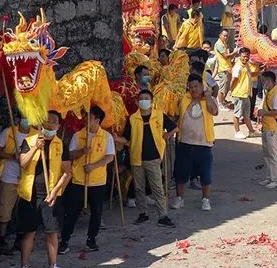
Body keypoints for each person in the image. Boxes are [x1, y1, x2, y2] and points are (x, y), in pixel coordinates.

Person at [18, 111, 72, 268]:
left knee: (52, 232)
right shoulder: (29, 141)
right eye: (47, 121)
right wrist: (35, 148)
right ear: (41, 122)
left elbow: (67, 172)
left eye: (54, 121)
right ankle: (25, 265)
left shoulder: (61, 144)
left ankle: (52, 264)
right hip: (31, 193)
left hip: (51, 195)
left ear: (58, 126)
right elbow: (22, 163)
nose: (50, 123)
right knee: (29, 232)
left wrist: (55, 191)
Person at [60, 106, 115, 253]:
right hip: (78, 180)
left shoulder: (106, 137)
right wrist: (81, 152)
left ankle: (91, 239)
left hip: (98, 181)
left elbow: (110, 156)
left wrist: (93, 166)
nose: (85, 119)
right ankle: (64, 240)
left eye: (89, 117)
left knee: (96, 213)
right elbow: (69, 155)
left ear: (97, 120)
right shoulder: (78, 136)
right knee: (72, 212)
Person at [118, 90, 176, 227]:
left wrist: (167, 136)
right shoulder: (132, 118)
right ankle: (142, 214)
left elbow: (174, 127)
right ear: (137, 102)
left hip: (154, 156)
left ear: (151, 101)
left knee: (157, 187)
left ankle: (163, 215)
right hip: (136, 158)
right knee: (139, 188)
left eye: (146, 98)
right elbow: (127, 138)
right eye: (141, 99)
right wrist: (116, 138)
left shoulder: (159, 115)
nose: (144, 101)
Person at [171, 74, 218, 211]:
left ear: (202, 86)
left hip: (204, 143)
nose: (193, 89)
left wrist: (208, 95)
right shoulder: (184, 99)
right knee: (180, 172)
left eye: (196, 86)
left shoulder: (209, 99)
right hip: (184, 142)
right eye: (190, 87)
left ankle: (206, 200)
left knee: (205, 174)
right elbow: (176, 116)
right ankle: (179, 198)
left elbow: (214, 111)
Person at [0, 116, 34, 254]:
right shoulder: (8, 132)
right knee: (4, 211)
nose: (26, 120)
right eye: (24, 117)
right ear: (18, 119)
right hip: (9, 177)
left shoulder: (36, 134)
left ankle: (19, 240)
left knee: (22, 212)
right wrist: (11, 156)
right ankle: (2, 241)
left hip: (27, 179)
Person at [257, 71, 277, 189]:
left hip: (272, 128)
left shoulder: (276, 94)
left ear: (269, 81)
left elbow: (276, 111)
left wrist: (264, 113)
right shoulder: (268, 92)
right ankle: (270, 176)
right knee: (267, 154)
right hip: (266, 126)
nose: (263, 83)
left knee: (273, 155)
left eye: (264, 81)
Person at [227, 47, 259, 139]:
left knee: (246, 114)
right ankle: (237, 132)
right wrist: (231, 89)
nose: (245, 58)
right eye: (244, 56)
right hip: (239, 94)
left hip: (246, 94)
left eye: (247, 57)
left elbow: (250, 75)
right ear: (240, 56)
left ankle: (251, 131)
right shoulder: (238, 66)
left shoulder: (246, 65)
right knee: (237, 114)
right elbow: (234, 79)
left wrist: (259, 72)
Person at [213, 29, 235, 107]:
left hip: (227, 67)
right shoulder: (219, 44)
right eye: (224, 35)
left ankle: (223, 100)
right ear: (220, 35)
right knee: (222, 88)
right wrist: (234, 52)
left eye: (226, 36)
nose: (225, 37)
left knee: (227, 87)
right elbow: (225, 56)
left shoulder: (224, 43)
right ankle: (220, 103)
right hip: (223, 69)